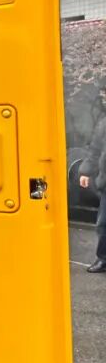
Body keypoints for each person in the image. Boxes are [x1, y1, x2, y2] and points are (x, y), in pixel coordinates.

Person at [80, 110, 106, 273]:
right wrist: (86, 171)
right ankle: (103, 258)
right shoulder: (104, 122)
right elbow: (95, 149)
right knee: (104, 224)